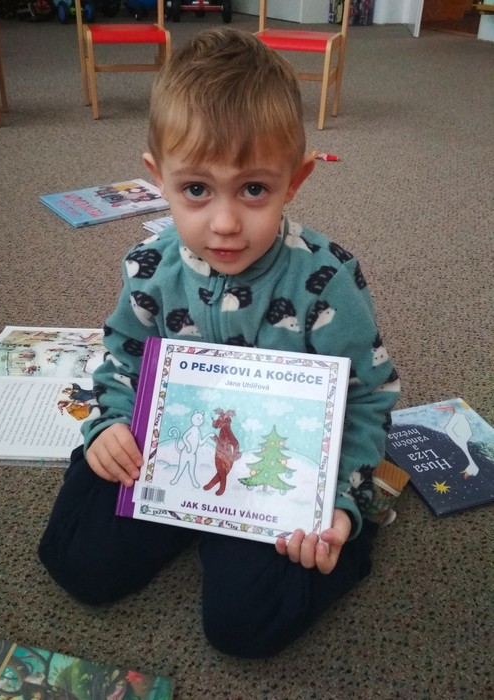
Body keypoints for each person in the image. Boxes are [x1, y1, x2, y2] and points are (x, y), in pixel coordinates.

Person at [38, 27, 400, 658]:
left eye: (254, 189)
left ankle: (353, 538)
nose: (226, 223)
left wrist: (342, 503)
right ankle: (183, 514)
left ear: (295, 180)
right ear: (158, 179)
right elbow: (121, 358)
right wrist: (109, 427)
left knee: (244, 625)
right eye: (197, 189)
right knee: (76, 562)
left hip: (279, 473)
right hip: (171, 451)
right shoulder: (150, 266)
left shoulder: (327, 280)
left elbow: (368, 398)